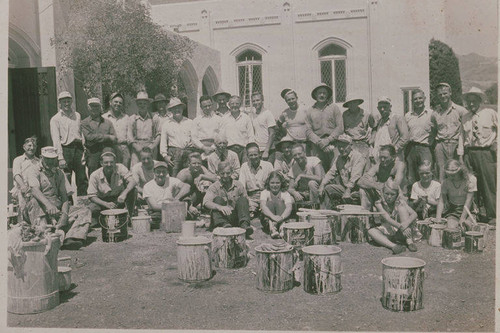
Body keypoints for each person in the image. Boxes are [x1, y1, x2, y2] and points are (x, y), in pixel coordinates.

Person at [24, 147, 90, 249]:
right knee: (34, 202)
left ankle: (71, 238)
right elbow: (34, 190)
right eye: (47, 159)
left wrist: (64, 214)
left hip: (56, 207)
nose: (50, 162)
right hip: (38, 207)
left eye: (53, 159)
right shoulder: (33, 170)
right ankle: (45, 235)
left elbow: (64, 196)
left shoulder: (59, 173)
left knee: (84, 210)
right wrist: (49, 205)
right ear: (41, 157)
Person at [462, 87, 497, 226]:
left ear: (480, 100)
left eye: (474, 101)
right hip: (470, 152)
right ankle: (474, 214)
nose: (471, 104)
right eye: (468, 102)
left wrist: (496, 143)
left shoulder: (490, 113)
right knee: (471, 184)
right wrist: (462, 155)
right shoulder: (465, 117)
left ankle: (492, 214)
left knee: (488, 184)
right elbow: (461, 136)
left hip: (485, 152)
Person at [87, 147, 136, 227]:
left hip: (118, 199)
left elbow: (133, 181)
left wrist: (124, 193)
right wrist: (105, 204)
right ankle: (101, 221)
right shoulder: (95, 175)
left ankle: (129, 217)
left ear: (115, 162)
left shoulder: (120, 167)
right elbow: (91, 196)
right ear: (101, 163)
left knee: (133, 190)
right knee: (92, 208)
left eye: (111, 162)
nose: (109, 165)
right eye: (106, 162)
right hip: (103, 201)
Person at [50, 91, 87, 196]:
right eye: (64, 101)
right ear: (60, 103)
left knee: (82, 178)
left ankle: (83, 204)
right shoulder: (55, 119)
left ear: (71, 102)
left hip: (78, 149)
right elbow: (56, 139)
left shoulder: (77, 115)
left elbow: (81, 133)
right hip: (66, 150)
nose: (66, 104)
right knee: (66, 179)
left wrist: (84, 149)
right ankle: (68, 206)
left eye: (68, 101)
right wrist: (60, 157)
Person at [203, 161, 253, 238]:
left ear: (232, 172)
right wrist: (219, 207)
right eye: (222, 173)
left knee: (242, 199)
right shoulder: (214, 187)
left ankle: (244, 226)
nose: (225, 176)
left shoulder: (238, 185)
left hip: (235, 216)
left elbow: (245, 202)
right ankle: (223, 225)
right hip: (221, 217)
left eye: (228, 173)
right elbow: (206, 202)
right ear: (218, 173)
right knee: (217, 200)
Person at [367, 179, 418, 254]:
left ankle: (409, 241)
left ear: (397, 194)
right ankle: (393, 246)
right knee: (371, 231)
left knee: (402, 208)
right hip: (390, 230)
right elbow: (387, 218)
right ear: (382, 193)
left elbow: (414, 214)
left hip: (404, 231)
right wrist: (401, 227)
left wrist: (405, 225)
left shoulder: (400, 202)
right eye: (387, 194)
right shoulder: (379, 203)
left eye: (392, 194)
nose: (389, 197)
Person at [430, 82, 467, 183]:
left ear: (450, 93)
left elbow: (464, 131)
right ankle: (443, 196)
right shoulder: (435, 113)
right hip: (440, 145)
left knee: (456, 170)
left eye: (445, 93)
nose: (443, 96)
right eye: (440, 94)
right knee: (441, 171)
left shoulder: (461, 111)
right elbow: (433, 131)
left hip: (455, 144)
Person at [318, 134, 367, 209]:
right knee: (327, 188)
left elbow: (355, 176)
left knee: (357, 194)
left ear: (351, 146)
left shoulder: (358, 157)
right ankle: (325, 214)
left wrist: (348, 191)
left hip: (358, 189)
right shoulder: (339, 158)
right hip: (346, 188)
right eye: (339, 146)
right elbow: (331, 172)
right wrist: (322, 185)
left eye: (344, 146)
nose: (341, 149)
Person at [305, 83, 344, 170]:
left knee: (335, 169)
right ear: (315, 94)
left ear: (328, 95)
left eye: (324, 93)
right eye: (319, 93)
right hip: (317, 146)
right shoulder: (310, 110)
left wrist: (328, 140)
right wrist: (320, 142)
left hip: (333, 144)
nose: (322, 95)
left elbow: (340, 127)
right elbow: (308, 130)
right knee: (319, 169)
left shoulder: (334, 108)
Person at [143, 161, 191, 228]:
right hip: (159, 210)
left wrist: (177, 198)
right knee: (156, 217)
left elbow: (187, 187)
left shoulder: (172, 180)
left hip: (173, 206)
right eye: (158, 172)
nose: (161, 174)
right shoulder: (147, 186)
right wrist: (172, 206)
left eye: (164, 171)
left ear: (167, 172)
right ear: (153, 172)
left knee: (186, 198)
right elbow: (155, 206)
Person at [358, 144, 406, 211]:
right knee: (362, 190)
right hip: (382, 194)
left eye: (385, 157)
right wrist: (375, 185)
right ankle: (366, 215)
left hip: (396, 196)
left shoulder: (400, 165)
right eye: (380, 157)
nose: (382, 160)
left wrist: (380, 185)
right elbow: (360, 181)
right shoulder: (378, 166)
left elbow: (395, 185)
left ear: (393, 157)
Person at [436, 159, 477, 230]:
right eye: (448, 174)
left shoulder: (470, 180)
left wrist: (462, 218)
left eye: (454, 174)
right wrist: (438, 218)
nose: (451, 176)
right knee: (451, 228)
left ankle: (470, 221)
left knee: (467, 226)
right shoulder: (445, 182)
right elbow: (441, 201)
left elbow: (469, 201)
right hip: (454, 211)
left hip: (468, 210)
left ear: (460, 171)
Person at [404, 89, 433, 187]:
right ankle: (414, 198)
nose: (418, 100)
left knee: (426, 173)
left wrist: (431, 142)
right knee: (411, 175)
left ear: (424, 99)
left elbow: (435, 130)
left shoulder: (431, 114)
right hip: (411, 148)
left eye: (420, 98)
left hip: (425, 148)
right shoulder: (408, 115)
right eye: (415, 99)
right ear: (412, 101)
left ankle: (428, 197)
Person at [81, 97, 117, 176]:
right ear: (88, 107)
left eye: (97, 106)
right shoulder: (84, 122)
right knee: (93, 174)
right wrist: (107, 137)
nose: (95, 108)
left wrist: (99, 138)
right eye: (92, 106)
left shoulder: (108, 122)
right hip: (93, 153)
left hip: (106, 151)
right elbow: (89, 137)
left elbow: (114, 138)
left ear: (100, 107)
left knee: (108, 173)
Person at [159, 97, 194, 177]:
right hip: (173, 153)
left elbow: (194, 139)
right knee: (174, 175)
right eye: (174, 108)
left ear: (182, 109)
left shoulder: (190, 122)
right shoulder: (166, 124)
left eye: (179, 108)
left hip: (188, 151)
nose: (177, 110)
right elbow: (163, 141)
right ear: (171, 110)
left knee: (189, 174)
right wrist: (165, 156)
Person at [176, 152, 217, 218]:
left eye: (199, 163)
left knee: (208, 186)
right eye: (194, 163)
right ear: (189, 164)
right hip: (184, 199)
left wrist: (202, 176)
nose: (197, 165)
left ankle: (207, 208)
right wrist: (189, 205)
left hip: (195, 196)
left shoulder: (202, 169)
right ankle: (189, 209)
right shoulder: (183, 174)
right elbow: (176, 193)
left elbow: (216, 180)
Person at [238, 142, 274, 217]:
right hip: (251, 197)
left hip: (265, 195)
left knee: (267, 213)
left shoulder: (268, 165)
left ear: (260, 154)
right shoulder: (244, 166)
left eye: (255, 154)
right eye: (251, 155)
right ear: (247, 156)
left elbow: (273, 184)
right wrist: (248, 201)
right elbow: (242, 187)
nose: (253, 157)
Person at [370, 96, 409, 162]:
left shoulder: (397, 118)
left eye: (384, 107)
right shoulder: (379, 121)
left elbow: (405, 137)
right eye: (380, 107)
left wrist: (394, 150)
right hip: (380, 157)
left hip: (393, 157)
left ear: (390, 107)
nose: (382, 109)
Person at [11, 136, 40, 223]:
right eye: (29, 145)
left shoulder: (38, 161)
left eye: (34, 146)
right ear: (24, 147)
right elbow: (16, 174)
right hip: (22, 189)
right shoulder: (18, 160)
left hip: (36, 189)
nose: (32, 148)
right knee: (24, 210)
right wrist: (23, 187)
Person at [219, 95, 255, 163]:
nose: (234, 105)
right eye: (232, 103)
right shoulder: (224, 119)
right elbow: (221, 135)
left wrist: (249, 150)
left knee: (244, 169)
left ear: (240, 105)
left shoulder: (246, 118)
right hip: (229, 150)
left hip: (244, 150)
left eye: (237, 103)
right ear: (229, 105)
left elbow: (251, 135)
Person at [128, 91, 158, 167]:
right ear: (137, 104)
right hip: (137, 146)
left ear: (148, 104)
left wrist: (152, 146)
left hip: (150, 146)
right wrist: (137, 147)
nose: (142, 105)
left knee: (151, 168)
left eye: (144, 103)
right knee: (136, 168)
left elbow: (159, 134)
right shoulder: (132, 118)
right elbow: (129, 136)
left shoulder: (154, 117)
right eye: (140, 103)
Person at [260, 171, 294, 239]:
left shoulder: (285, 193)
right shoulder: (264, 192)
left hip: (282, 218)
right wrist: (273, 217)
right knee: (269, 203)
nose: (275, 185)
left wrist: (281, 218)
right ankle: (272, 229)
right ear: (268, 183)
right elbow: (263, 206)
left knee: (280, 202)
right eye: (272, 183)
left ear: (281, 183)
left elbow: (289, 208)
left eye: (277, 183)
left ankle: (282, 227)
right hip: (268, 220)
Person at [103, 92, 130, 168]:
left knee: (124, 172)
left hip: (124, 149)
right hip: (109, 148)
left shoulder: (126, 118)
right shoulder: (104, 117)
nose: (118, 104)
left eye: (120, 103)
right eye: (115, 102)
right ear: (110, 102)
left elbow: (130, 135)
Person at [247, 92, 276, 160]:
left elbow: (272, 134)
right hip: (257, 149)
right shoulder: (252, 115)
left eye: (258, 100)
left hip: (268, 150)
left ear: (262, 100)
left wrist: (267, 150)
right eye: (253, 101)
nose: (256, 102)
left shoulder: (268, 114)